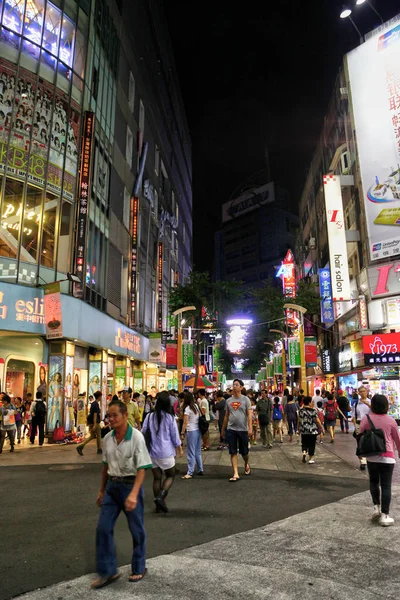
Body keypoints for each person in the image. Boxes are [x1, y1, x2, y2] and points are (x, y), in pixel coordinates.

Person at [91, 400, 152, 589]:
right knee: (103, 528)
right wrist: (101, 490)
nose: (111, 419)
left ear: (125, 415)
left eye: (114, 415)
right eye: (108, 415)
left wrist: (134, 494)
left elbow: (142, 468)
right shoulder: (108, 438)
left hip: (130, 485)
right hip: (112, 486)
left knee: (136, 529)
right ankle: (108, 571)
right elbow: (105, 466)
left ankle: (139, 567)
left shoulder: (136, 437)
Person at [359, 394, 400, 527]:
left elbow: (360, 434)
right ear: (386, 406)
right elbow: (397, 439)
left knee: (374, 482)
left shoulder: (366, 419)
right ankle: (385, 515)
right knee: (386, 485)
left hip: (372, 456)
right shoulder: (391, 421)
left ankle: (376, 508)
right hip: (388, 457)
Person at [142, 391, 183, 513]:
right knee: (170, 475)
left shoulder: (149, 416)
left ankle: (158, 505)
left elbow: (144, 431)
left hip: (152, 452)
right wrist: (179, 447)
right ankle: (161, 497)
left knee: (157, 478)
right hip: (166, 452)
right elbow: (174, 436)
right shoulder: (170, 418)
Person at [221, 378, 252, 482]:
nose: (234, 386)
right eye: (233, 384)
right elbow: (226, 416)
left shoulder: (245, 400)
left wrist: (250, 428)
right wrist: (223, 429)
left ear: (241, 387)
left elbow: (249, 415)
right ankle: (235, 473)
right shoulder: (229, 401)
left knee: (244, 452)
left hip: (243, 429)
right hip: (231, 429)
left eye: (237, 385)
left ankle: (246, 463)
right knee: (233, 451)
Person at [180, 392, 203, 479]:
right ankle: (200, 469)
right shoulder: (196, 406)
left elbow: (185, 422)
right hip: (198, 430)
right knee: (197, 451)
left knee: (190, 452)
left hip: (191, 431)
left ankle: (190, 472)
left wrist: (182, 432)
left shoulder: (187, 409)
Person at [76, 391, 102, 456]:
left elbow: (91, 413)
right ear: (99, 397)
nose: (101, 397)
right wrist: (95, 424)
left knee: (92, 436)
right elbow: (95, 414)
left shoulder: (93, 403)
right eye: (101, 396)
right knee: (98, 436)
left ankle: (81, 446)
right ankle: (99, 449)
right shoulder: (96, 404)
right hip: (95, 422)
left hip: (91, 422)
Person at [298, 396, 323, 464]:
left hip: (304, 430)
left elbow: (299, 421)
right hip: (312, 431)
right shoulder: (313, 411)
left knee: (304, 443)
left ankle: (304, 452)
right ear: (309, 402)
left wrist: (299, 429)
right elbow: (317, 420)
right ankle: (310, 458)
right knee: (312, 444)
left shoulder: (301, 411)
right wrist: (321, 428)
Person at [352, 386, 371, 471]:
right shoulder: (356, 404)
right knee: (360, 442)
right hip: (359, 424)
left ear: (367, 392)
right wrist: (355, 425)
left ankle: (368, 459)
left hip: (369, 424)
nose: (363, 393)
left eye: (364, 391)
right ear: (358, 393)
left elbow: (375, 411)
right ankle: (362, 461)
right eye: (361, 391)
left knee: (369, 443)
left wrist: (367, 403)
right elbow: (353, 416)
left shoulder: (371, 402)